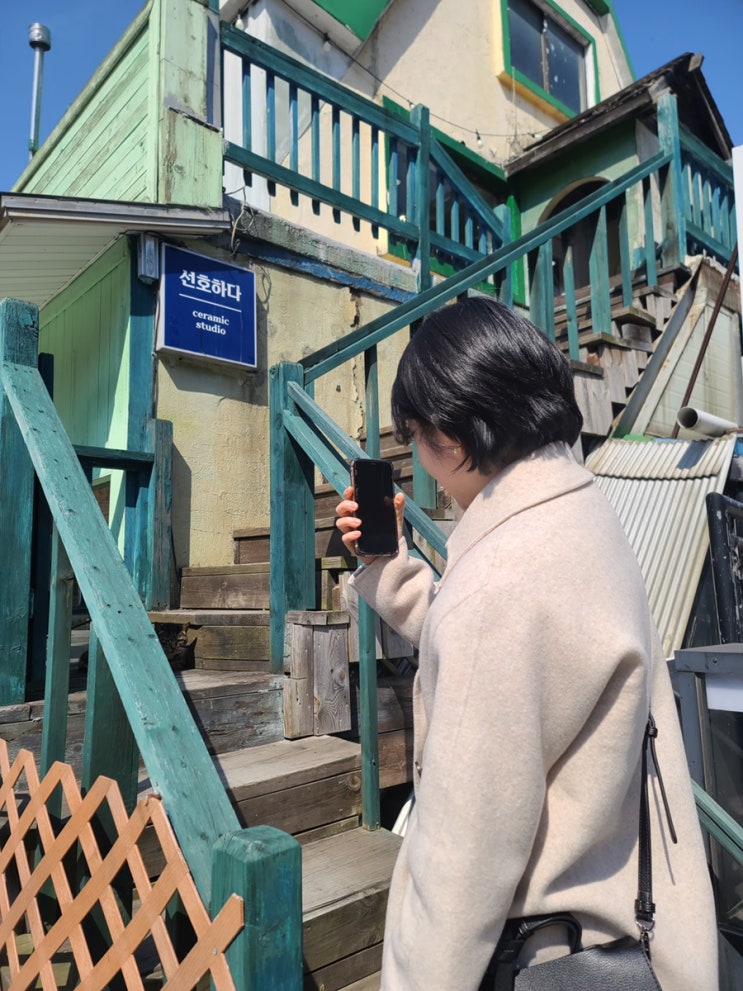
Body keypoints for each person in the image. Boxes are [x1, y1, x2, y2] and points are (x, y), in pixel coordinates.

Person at [335, 298, 718, 991]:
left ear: (451, 435)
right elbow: (533, 655)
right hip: (631, 925)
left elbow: (463, 862)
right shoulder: (581, 513)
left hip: (543, 953)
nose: (418, 457)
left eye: (416, 434)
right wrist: (387, 569)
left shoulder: (497, 584)